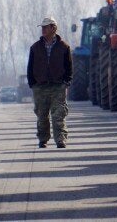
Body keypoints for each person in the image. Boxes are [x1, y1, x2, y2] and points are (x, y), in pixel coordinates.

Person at [27, 16, 72, 148]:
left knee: (58, 115)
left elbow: (69, 67)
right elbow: (30, 67)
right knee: (41, 115)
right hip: (40, 87)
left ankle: (60, 140)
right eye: (42, 27)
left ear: (53, 28)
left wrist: (66, 82)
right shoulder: (35, 48)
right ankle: (43, 139)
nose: (43, 30)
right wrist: (32, 83)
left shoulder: (64, 47)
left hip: (58, 86)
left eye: (46, 27)